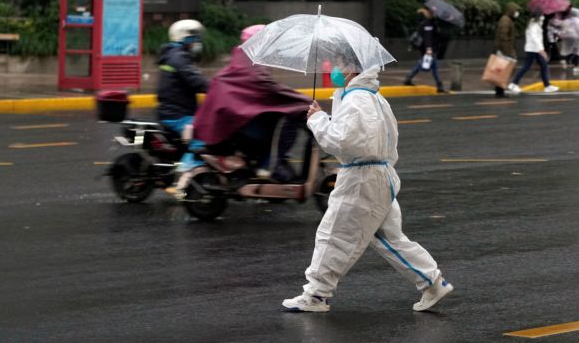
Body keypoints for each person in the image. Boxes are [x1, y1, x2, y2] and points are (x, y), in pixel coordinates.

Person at [282, 58, 453, 313]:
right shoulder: (373, 98)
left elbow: (342, 142)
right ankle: (432, 282)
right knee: (388, 238)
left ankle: (316, 295)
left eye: (340, 64)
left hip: (362, 179)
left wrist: (318, 120)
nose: (334, 70)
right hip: (379, 175)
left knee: (334, 235)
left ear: (353, 69)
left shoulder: (357, 100)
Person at [191, 25, 311, 182]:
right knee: (287, 121)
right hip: (242, 127)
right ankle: (269, 166)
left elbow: (266, 90)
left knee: (280, 116)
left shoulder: (243, 60)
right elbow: (270, 89)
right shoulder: (250, 66)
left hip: (235, 122)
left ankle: (269, 162)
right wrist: (305, 102)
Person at [156, 19, 209, 171]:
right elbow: (196, 80)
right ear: (184, 38)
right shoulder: (179, 57)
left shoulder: (175, 55)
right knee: (202, 133)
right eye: (195, 38)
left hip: (176, 109)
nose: (198, 42)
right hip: (177, 113)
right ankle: (186, 172)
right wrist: (217, 89)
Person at [508, 10, 560, 94]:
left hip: (535, 49)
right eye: (542, 15)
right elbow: (535, 38)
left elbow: (538, 38)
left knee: (543, 66)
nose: (543, 17)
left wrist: (540, 49)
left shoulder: (535, 25)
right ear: (538, 16)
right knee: (527, 67)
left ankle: (547, 86)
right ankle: (513, 84)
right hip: (532, 50)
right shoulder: (534, 26)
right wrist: (541, 50)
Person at [403, 7, 447, 93]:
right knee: (424, 66)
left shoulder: (431, 23)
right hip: (429, 49)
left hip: (429, 49)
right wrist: (429, 49)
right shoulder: (428, 24)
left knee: (433, 67)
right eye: (431, 12)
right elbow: (428, 38)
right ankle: (439, 85)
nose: (433, 14)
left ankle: (439, 85)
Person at [493, 2, 520, 98]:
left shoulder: (507, 19)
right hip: (504, 50)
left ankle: (499, 90)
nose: (517, 13)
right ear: (511, 10)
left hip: (504, 49)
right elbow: (503, 36)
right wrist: (508, 52)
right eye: (516, 10)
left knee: (502, 71)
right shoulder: (505, 20)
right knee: (503, 71)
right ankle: (499, 91)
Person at [558, 8, 579, 75]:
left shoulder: (565, 21)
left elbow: (562, 29)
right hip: (575, 38)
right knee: (576, 52)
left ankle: (564, 60)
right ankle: (576, 67)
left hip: (566, 38)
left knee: (567, 51)